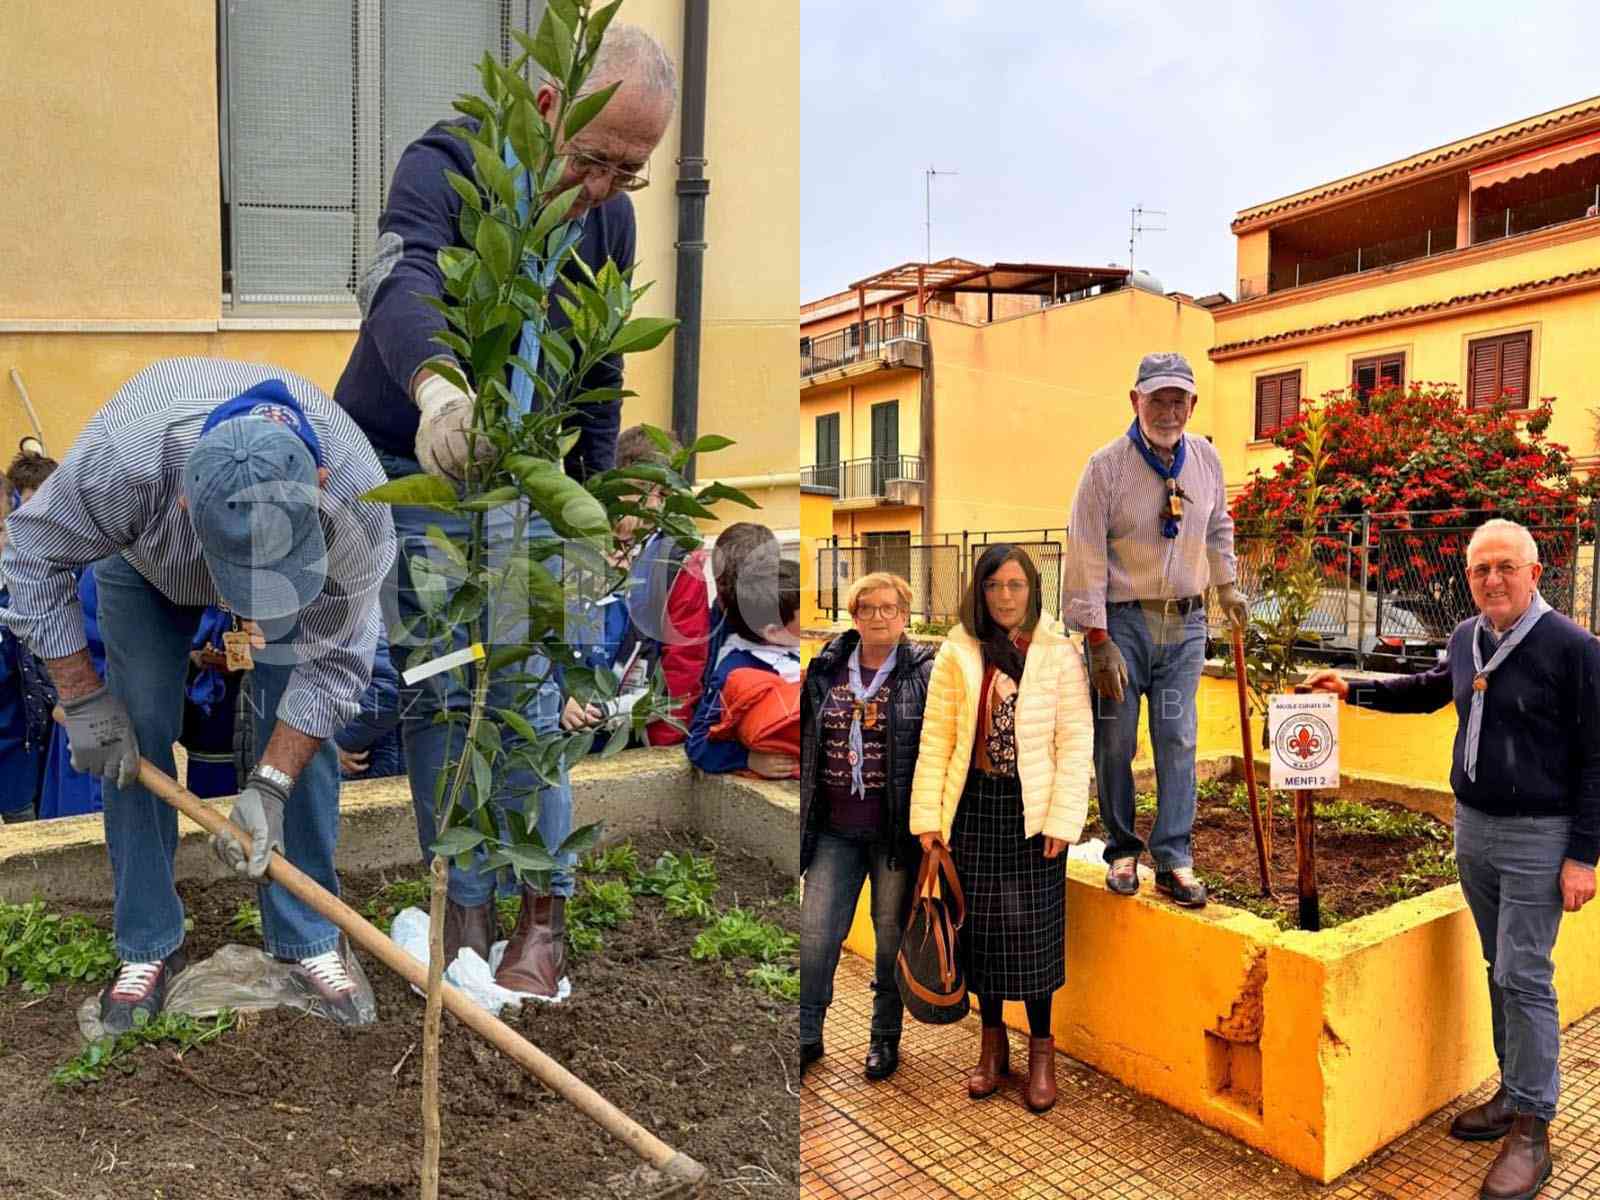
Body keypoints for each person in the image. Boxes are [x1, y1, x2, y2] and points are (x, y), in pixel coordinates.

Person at [332, 24, 678, 997]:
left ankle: (541, 917)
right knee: (443, 684)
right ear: (542, 111)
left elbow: (600, 365)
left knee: (529, 703)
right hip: (424, 464)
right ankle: (464, 902)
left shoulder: (606, 220)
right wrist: (442, 387)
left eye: (630, 171)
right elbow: (398, 284)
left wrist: (602, 498)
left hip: (528, 490)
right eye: (594, 159)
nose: (607, 187)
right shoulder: (448, 165)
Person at [0, 358, 395, 1032]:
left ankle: (307, 937)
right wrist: (86, 702)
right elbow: (30, 556)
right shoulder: (126, 464)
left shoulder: (356, 491)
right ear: (185, 496)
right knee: (135, 731)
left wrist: (269, 782)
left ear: (319, 484)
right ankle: (146, 945)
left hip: (304, 572)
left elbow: (333, 665)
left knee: (300, 734)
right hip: (148, 568)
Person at [1305, 518, 1600, 1200]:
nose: (1492, 580)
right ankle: (1512, 1091)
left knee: (1526, 974)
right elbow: (1432, 690)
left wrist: (1583, 855)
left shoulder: (1574, 648)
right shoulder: (1468, 638)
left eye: (1505, 567)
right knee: (1501, 967)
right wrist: (1354, 688)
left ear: (1533, 573)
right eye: (1479, 570)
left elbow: (1596, 760)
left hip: (1539, 837)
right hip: (1475, 829)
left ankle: (1533, 1127)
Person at [909, 544, 1093, 1113]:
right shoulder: (958, 651)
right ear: (980, 592)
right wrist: (929, 821)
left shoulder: (1058, 652)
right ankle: (993, 1049)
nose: (1005, 597)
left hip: (1034, 812)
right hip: (974, 810)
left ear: (1032, 591)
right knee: (981, 934)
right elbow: (936, 737)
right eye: (994, 586)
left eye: (1015, 586)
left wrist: (1064, 818)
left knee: (1033, 937)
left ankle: (1041, 1051)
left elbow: (1074, 739)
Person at [1063, 351, 1246, 908]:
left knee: (1177, 736)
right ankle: (1122, 848)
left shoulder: (1206, 460)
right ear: (1135, 400)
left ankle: (1174, 856)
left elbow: (1218, 526)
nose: (1168, 410)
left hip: (1184, 627)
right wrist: (1096, 639)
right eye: (1157, 398)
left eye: (1178, 399)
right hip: (1122, 626)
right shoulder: (1105, 467)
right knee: (1116, 739)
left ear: (1192, 404)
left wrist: (1228, 586)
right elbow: (1086, 551)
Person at [799, 572, 936, 1083]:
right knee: (815, 937)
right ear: (853, 616)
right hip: (834, 829)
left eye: (890, 608)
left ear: (905, 614)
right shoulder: (826, 667)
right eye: (868, 608)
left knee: (889, 941)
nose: (879, 616)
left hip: (895, 835)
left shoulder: (925, 671)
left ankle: (884, 1040)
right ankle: (807, 1033)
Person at [686, 557, 801, 778]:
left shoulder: (798, 643)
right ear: (773, 631)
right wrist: (746, 758)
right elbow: (697, 742)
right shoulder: (735, 672)